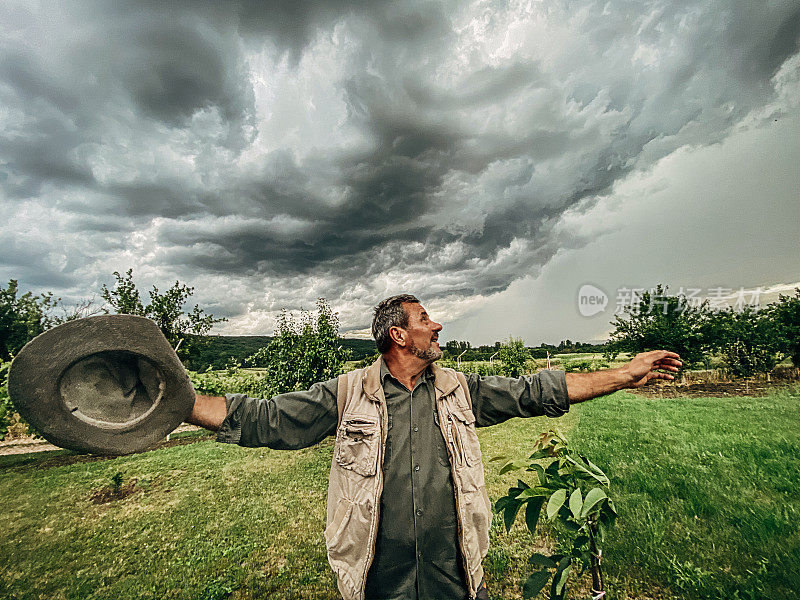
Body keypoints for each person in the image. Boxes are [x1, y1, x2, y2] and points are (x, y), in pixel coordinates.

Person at [188, 294, 682, 600]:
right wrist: (182, 404)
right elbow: (267, 418)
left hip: (456, 578)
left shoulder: (459, 389)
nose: (438, 325)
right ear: (398, 335)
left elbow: (536, 391)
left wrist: (622, 374)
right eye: (426, 318)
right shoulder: (347, 394)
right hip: (378, 583)